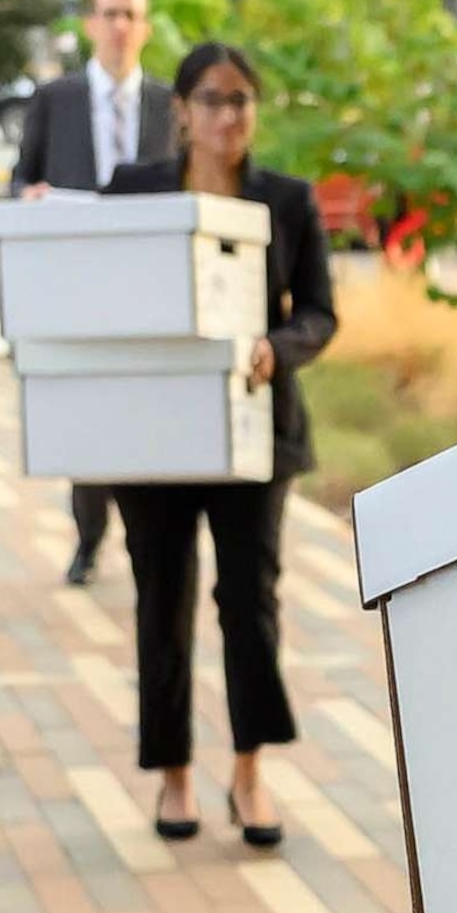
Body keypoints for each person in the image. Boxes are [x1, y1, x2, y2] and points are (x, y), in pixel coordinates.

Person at [102, 42, 334, 850]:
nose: (228, 115)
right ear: (181, 109)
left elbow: (319, 313)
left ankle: (248, 773)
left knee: (250, 602)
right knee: (161, 601)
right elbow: (105, 287)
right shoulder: (133, 191)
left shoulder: (288, 200)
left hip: (252, 426)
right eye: (212, 98)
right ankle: (172, 776)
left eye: (241, 99)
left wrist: (280, 344)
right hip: (154, 432)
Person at [10, 0, 174, 586]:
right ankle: (88, 536)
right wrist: (30, 196)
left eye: (131, 14)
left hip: (148, 281)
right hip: (76, 279)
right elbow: (19, 177)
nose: (120, 26)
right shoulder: (55, 99)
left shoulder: (167, 103)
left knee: (142, 407)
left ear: (145, 28)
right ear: (90, 24)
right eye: (109, 13)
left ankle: (147, 536)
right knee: (86, 411)